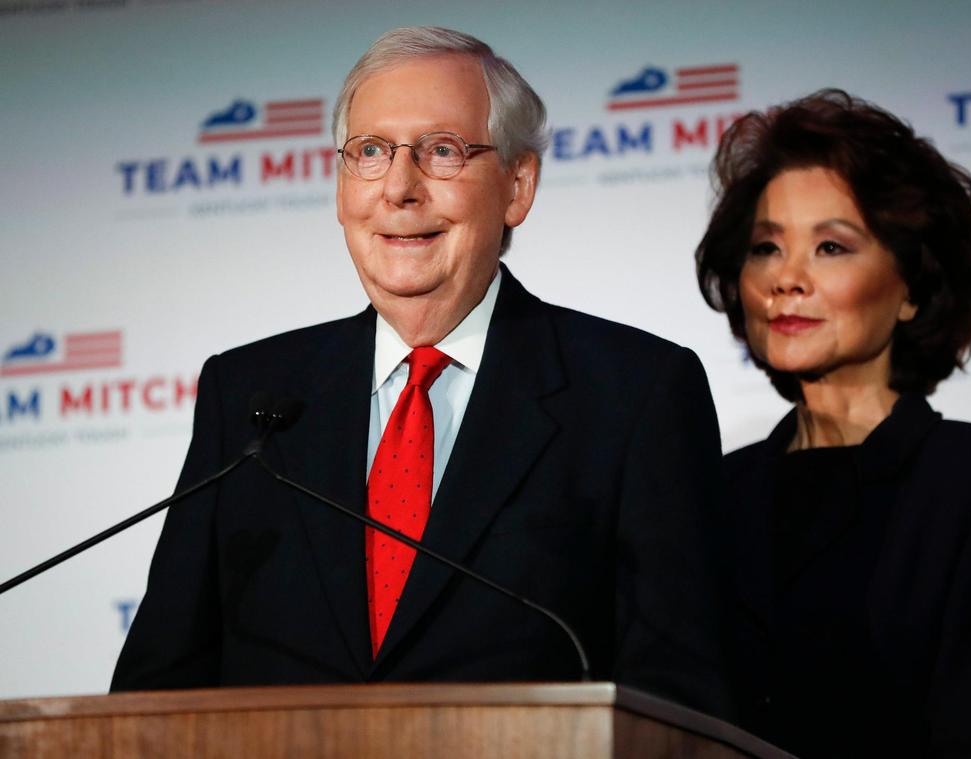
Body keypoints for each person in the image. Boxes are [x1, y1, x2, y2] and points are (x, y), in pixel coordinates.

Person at [112, 26, 733, 720]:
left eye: (441, 151)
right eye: (371, 152)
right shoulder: (251, 396)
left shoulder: (634, 394)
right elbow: (153, 694)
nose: (400, 189)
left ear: (518, 185)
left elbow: (679, 702)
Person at [695, 89, 971, 757]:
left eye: (832, 247)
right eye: (765, 248)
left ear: (912, 288)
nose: (788, 278)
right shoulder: (707, 495)